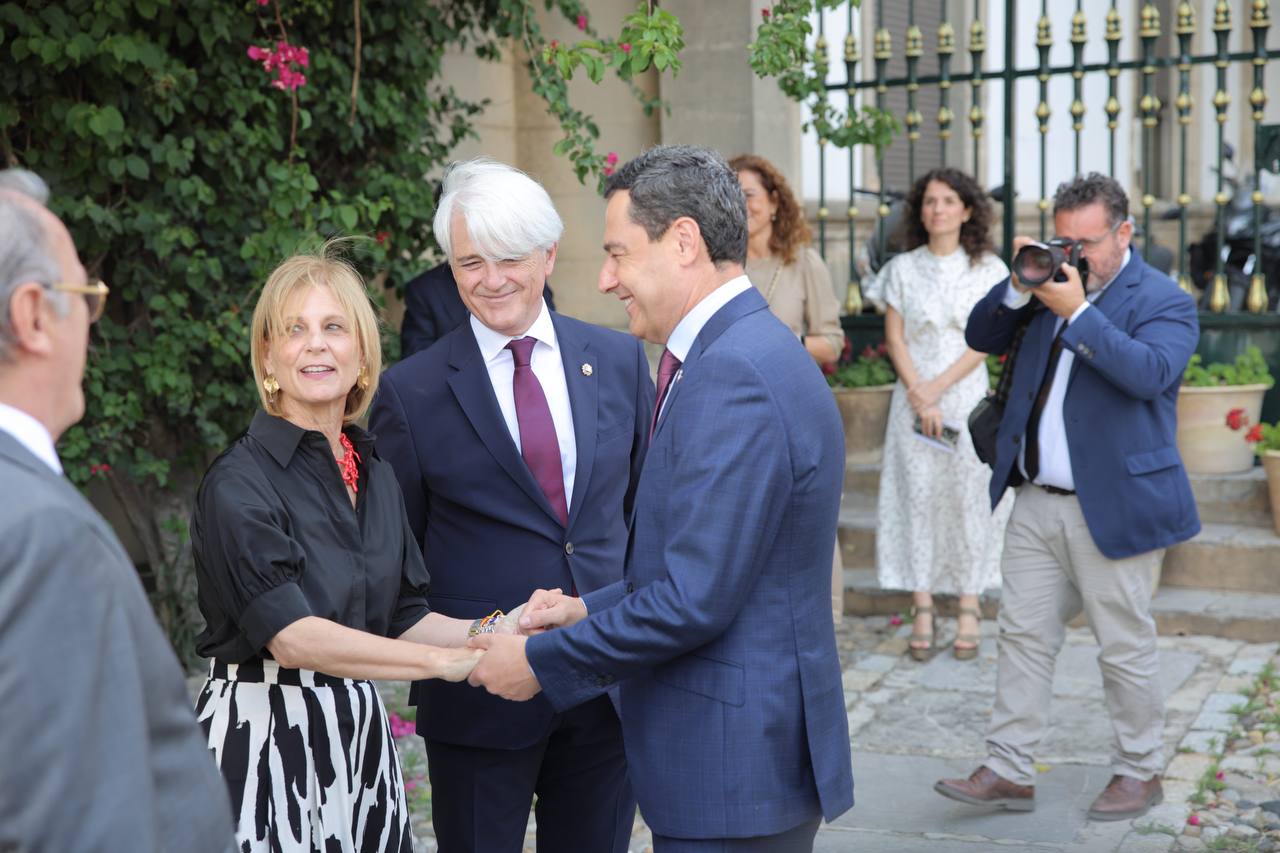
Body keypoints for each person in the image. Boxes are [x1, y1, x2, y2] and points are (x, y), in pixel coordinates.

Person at [467, 145, 854, 852]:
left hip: (733, 772)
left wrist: (540, 662)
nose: (607, 277)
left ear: (683, 241)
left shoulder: (731, 371)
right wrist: (588, 607)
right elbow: (714, 569)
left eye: (618, 252)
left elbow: (694, 600)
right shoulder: (735, 352)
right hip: (740, 763)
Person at [369, 158, 651, 853]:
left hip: (603, 680)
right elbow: (398, 565)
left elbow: (647, 520)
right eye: (470, 262)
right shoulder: (411, 391)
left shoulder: (618, 359)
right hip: (477, 695)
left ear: (549, 254)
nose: (491, 279)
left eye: (509, 258)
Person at [190, 245, 491, 853]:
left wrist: (499, 629)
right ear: (268, 356)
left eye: (334, 327)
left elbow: (404, 616)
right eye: (293, 330)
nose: (316, 345)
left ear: (361, 355)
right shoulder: (238, 480)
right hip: (264, 741)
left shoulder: (372, 470)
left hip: (356, 739)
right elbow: (294, 636)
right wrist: (440, 667)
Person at [934, 173, 1200, 821]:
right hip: (1036, 498)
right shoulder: (1043, 287)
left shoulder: (1164, 299)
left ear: (1124, 233)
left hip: (1116, 501)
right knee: (1023, 634)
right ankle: (1008, 766)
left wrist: (1078, 313)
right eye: (1064, 239)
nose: (1076, 254)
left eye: (1089, 241)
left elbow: (1149, 373)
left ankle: (1141, 770)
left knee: (1123, 644)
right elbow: (980, 336)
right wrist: (1017, 283)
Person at [0, 172, 235, 852]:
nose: (93, 324)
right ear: (34, 316)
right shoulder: (43, 536)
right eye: (87, 296)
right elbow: (82, 823)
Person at [875, 167, 1013, 660]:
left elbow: (989, 341)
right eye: (930, 201)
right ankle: (923, 604)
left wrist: (938, 388)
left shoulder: (990, 271)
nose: (938, 210)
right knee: (918, 497)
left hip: (964, 397)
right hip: (912, 401)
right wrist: (920, 392)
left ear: (968, 210)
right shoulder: (902, 269)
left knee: (969, 498)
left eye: (948, 201)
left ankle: (971, 602)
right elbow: (894, 337)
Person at [729, 153, 847, 625]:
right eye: (732, 195)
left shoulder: (803, 263)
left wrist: (785, 343)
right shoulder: (721, 265)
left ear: (774, 202)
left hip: (792, 410)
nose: (743, 205)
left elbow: (833, 341)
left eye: (750, 194)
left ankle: (825, 615)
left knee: (806, 514)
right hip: (736, 414)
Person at [399, 261, 556, 357]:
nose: (493, 283)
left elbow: (548, 331)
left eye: (510, 258)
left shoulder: (527, 279)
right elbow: (418, 362)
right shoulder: (424, 289)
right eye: (471, 262)